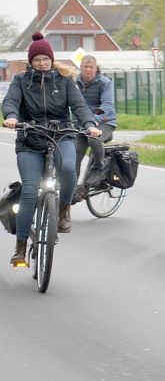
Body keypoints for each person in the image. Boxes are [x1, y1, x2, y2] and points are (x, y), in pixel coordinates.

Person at [2, 32, 101, 265]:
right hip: (30, 139)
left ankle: (64, 208)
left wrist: (89, 124)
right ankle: (21, 246)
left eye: (45, 59)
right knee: (28, 192)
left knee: (68, 168)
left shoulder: (65, 82)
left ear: (51, 59)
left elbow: (79, 106)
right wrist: (12, 117)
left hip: (61, 135)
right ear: (31, 61)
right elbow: (11, 102)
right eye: (37, 59)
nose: (42, 63)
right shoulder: (20, 81)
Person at [74, 54, 117, 184]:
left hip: (104, 121)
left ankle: (99, 166)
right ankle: (71, 189)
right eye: (85, 67)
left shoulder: (104, 83)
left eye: (91, 67)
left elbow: (106, 105)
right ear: (80, 67)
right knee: (74, 157)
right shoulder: (74, 82)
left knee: (93, 139)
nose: (88, 70)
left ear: (95, 68)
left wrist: (94, 120)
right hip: (82, 122)